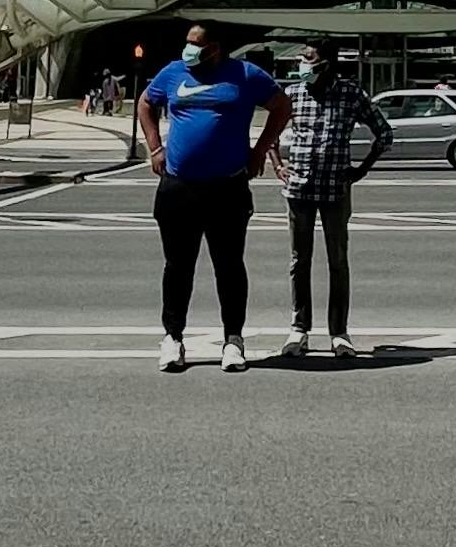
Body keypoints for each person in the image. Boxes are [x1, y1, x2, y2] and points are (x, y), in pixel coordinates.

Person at [139, 24, 286, 374]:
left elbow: (281, 107)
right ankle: (173, 338)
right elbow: (146, 102)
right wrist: (155, 147)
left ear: (215, 48)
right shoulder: (173, 72)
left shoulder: (245, 74)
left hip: (227, 187)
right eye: (187, 43)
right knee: (178, 266)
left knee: (230, 267)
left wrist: (260, 150)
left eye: (196, 45)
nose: (189, 50)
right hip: (179, 186)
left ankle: (233, 340)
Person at [277, 39, 388, 363]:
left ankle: (339, 332)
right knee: (300, 260)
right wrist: (277, 164)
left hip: (335, 190)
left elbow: (383, 132)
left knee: (337, 260)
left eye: (307, 58)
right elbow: (271, 129)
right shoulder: (293, 93)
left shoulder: (350, 94)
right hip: (298, 189)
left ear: (325, 63)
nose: (301, 63)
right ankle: (299, 329)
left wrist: (360, 171)